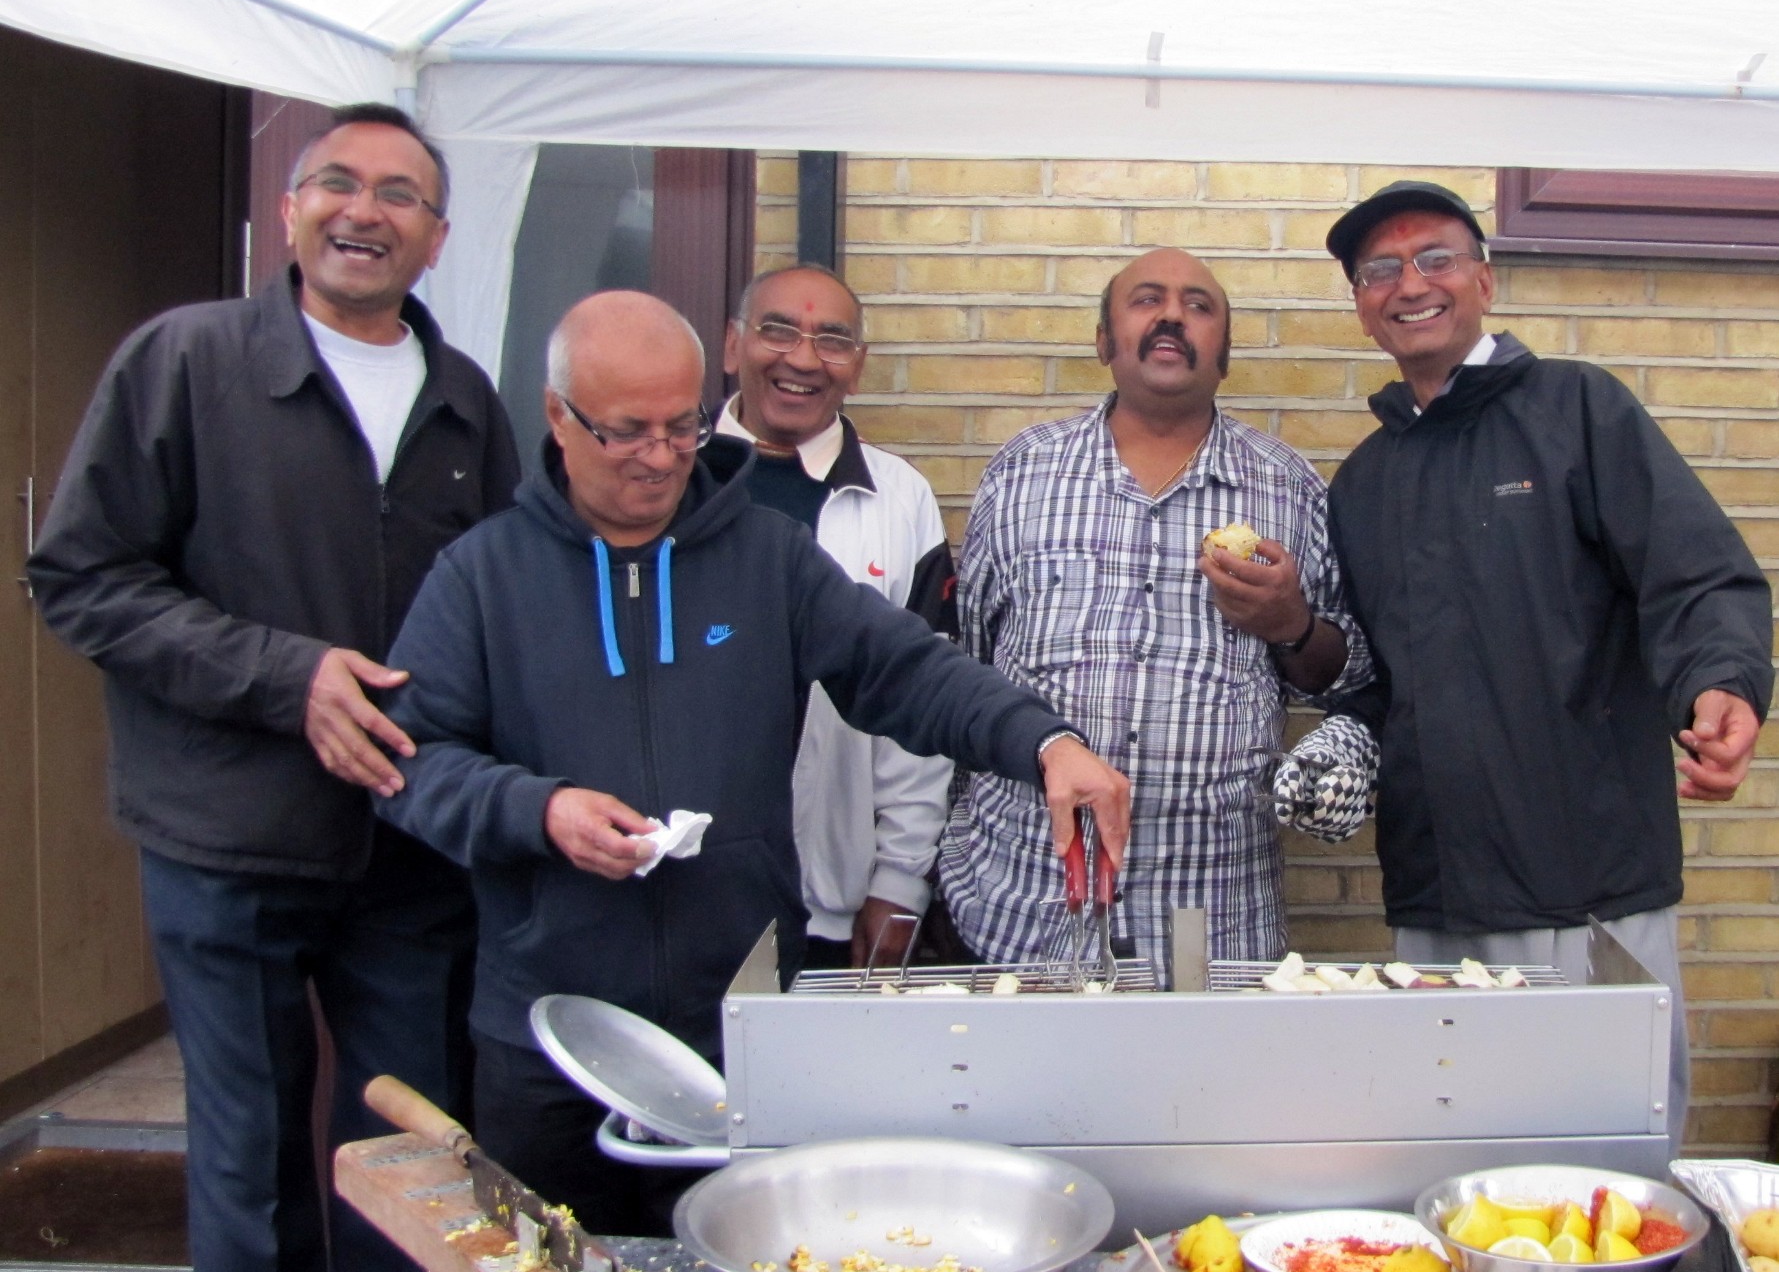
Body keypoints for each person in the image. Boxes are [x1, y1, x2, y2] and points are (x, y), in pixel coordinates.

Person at [374, 290, 1130, 1234]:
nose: (659, 456)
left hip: (732, 1026)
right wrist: (538, 811)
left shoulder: (767, 559)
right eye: (625, 431)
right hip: (546, 1039)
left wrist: (1045, 743)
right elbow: (411, 767)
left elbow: (906, 672)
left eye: (681, 425)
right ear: (558, 417)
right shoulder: (482, 575)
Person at [27, 104, 519, 1272]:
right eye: (337, 184)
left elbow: (500, 603)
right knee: (246, 1160)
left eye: (399, 195)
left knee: (410, 1155)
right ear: (292, 211)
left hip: (409, 849)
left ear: (436, 237)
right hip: (225, 841)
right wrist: (284, 675)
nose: (364, 211)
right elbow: (80, 577)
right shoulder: (182, 362)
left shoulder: (464, 399)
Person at [1312, 178, 1774, 1147]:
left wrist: (1723, 683)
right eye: (1380, 270)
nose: (1410, 284)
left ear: (1483, 277)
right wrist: (1337, 737)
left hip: (1586, 882)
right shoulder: (1363, 482)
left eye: (1435, 257)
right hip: (1436, 893)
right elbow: (1372, 675)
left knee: (1609, 1159)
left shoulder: (1578, 410)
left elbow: (1696, 579)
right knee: (1456, 1153)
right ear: (1360, 304)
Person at [937, 247, 1370, 975]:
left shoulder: (1287, 487)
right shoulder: (1020, 472)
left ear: (1222, 355)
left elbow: (1342, 675)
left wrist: (1290, 623)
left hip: (1213, 918)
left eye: (1199, 306)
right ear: (1104, 340)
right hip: (1023, 905)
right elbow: (972, 662)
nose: (1172, 315)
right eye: (1146, 299)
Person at [718, 263, 956, 968]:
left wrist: (901, 877)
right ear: (732, 346)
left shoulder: (898, 498)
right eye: (777, 330)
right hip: (682, 886)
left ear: (856, 365)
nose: (800, 358)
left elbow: (922, 705)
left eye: (831, 339)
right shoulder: (674, 479)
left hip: (836, 900)